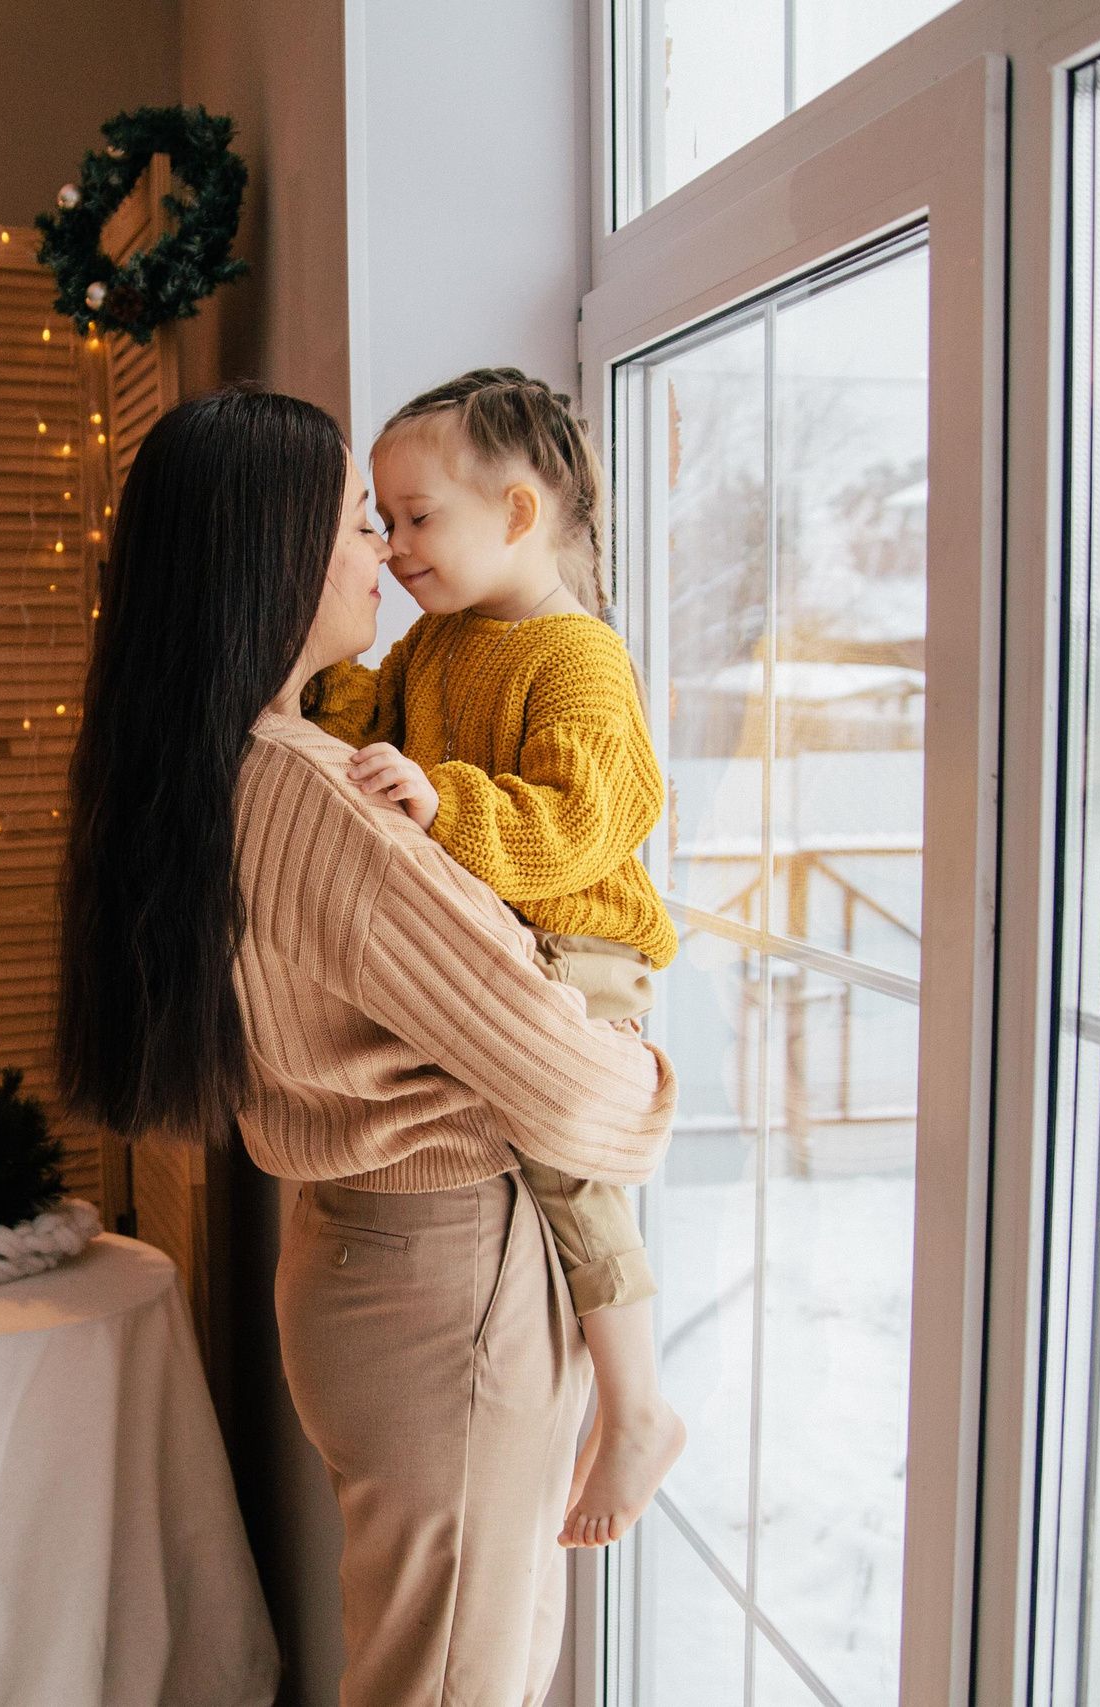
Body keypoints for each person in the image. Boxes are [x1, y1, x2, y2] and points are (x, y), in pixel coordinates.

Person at [57, 384, 678, 1706]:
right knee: (461, 1677)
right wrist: (646, 1069)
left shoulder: (222, 760)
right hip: (449, 1275)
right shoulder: (308, 792)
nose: (387, 554)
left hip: (358, 1259)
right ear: (273, 556)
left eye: (400, 519)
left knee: (446, 1657)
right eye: (357, 522)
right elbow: (567, 1078)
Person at [299, 368, 687, 1549]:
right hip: (517, 940)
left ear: (517, 514)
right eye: (382, 518)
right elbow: (364, 733)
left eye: (418, 518)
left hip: (586, 940)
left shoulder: (576, 655)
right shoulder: (436, 646)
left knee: (566, 1154)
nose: (397, 544)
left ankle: (636, 1406)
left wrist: (443, 799)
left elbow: (589, 818)